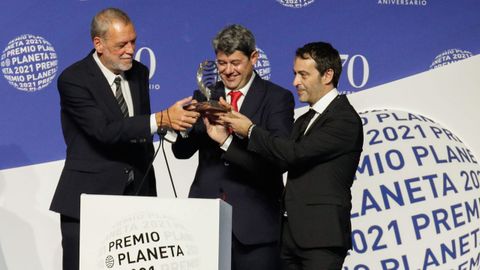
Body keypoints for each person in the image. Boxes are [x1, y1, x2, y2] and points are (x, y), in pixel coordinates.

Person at [49, 8, 199, 270]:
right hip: (89, 198)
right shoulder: (73, 80)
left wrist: (177, 122)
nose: (131, 49)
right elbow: (104, 131)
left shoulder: (138, 72)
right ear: (99, 44)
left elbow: (136, 128)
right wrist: (161, 118)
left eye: (133, 41)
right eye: (122, 44)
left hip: (138, 194)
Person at [215, 42, 364, 269]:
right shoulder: (306, 119)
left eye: (303, 75)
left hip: (321, 239)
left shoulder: (343, 119)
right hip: (290, 237)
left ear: (327, 75)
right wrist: (226, 141)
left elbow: (295, 154)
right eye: (295, 74)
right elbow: (280, 160)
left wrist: (252, 129)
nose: (295, 82)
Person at [171, 24, 295, 270]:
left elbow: (278, 162)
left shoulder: (277, 99)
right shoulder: (205, 95)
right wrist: (183, 126)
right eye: (221, 63)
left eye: (235, 63)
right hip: (204, 221)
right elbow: (181, 152)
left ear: (254, 58)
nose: (228, 71)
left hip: (254, 226)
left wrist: (227, 141)